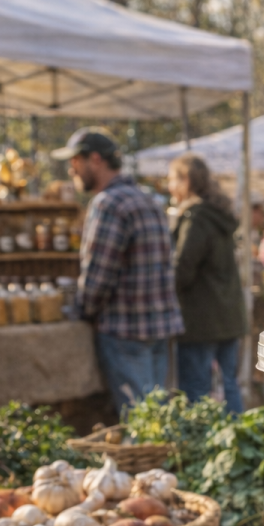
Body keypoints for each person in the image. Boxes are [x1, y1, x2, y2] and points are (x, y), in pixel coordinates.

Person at [51, 127, 183, 414]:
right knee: (157, 417)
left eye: (75, 160)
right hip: (159, 326)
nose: (71, 169)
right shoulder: (149, 200)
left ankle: (148, 460)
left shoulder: (108, 203)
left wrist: (83, 310)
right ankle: (160, 460)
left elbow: (98, 276)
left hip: (126, 330)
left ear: (95, 159)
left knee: (140, 419)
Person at [167, 153, 246, 412]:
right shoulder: (219, 215)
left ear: (186, 181)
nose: (169, 187)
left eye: (172, 180)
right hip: (228, 314)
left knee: (197, 389)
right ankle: (235, 442)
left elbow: (183, 268)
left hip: (202, 318)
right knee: (229, 385)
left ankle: (201, 448)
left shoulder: (196, 218)